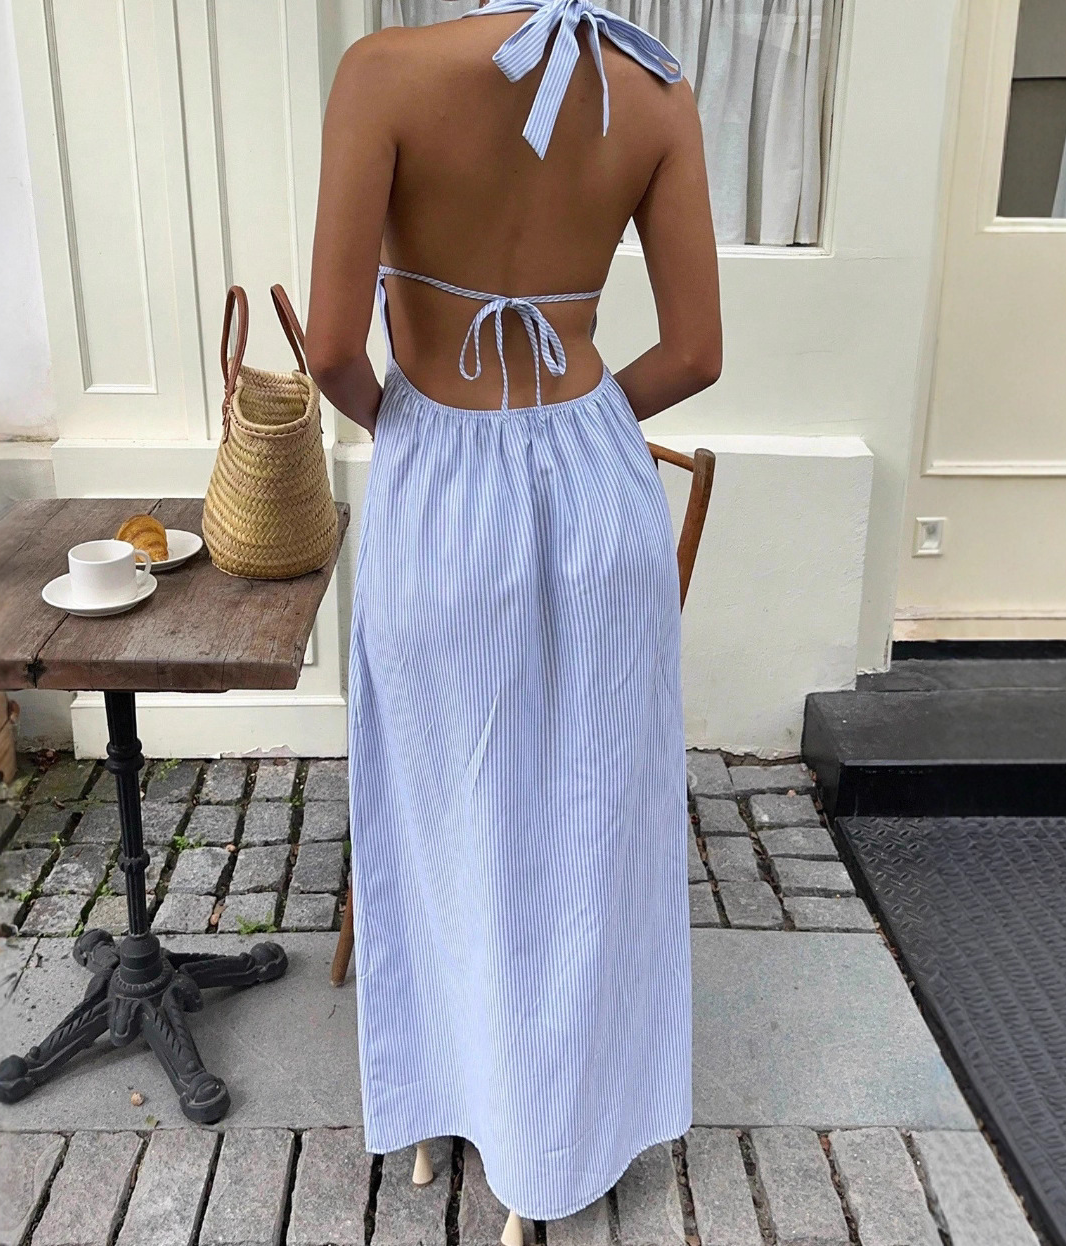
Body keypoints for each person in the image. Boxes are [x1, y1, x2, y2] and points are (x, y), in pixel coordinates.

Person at [306, 0, 722, 1232]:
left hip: (442, 478)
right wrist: (579, 434)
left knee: (441, 809)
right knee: (593, 820)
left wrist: (414, 434)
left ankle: (449, 1103)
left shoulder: (383, 72)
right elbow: (694, 353)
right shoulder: (656, 91)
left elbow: (331, 350)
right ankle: (567, 1131)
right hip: (599, 487)